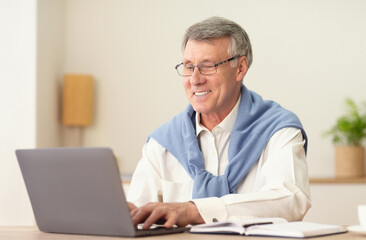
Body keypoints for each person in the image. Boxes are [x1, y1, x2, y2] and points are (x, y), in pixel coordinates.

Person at [127, 16, 311, 229]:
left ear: (240, 68)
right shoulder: (162, 143)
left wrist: (193, 210)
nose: (195, 79)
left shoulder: (279, 130)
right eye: (188, 66)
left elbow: (290, 200)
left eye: (207, 66)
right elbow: (139, 214)